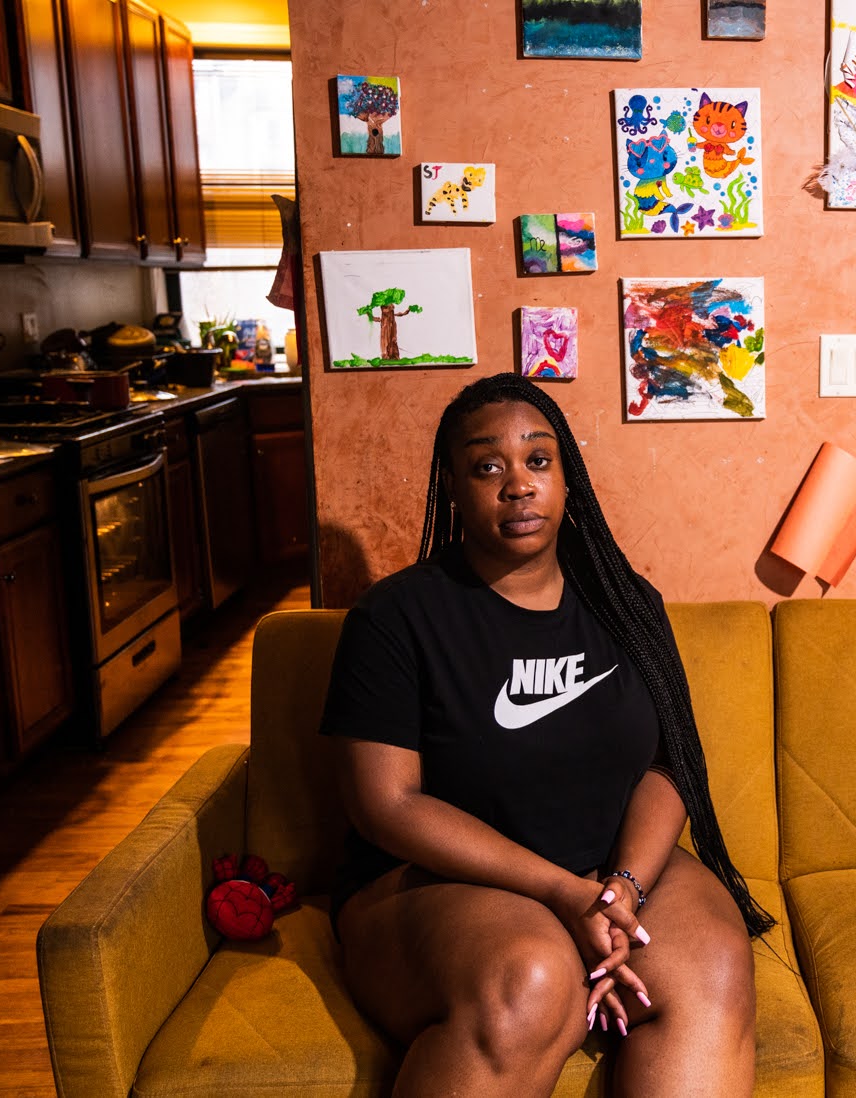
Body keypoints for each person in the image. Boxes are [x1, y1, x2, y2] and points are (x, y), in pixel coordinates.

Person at [319, 373, 772, 1096]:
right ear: (455, 488)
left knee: (712, 962)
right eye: (486, 466)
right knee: (531, 980)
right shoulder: (395, 618)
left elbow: (669, 763)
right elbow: (388, 805)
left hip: (605, 865)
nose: (517, 485)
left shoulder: (627, 603)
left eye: (538, 460)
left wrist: (620, 889)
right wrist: (565, 895)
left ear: (568, 479)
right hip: (436, 886)